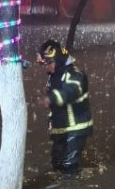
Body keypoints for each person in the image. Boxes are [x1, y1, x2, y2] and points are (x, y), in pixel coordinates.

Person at [37, 39, 93, 176]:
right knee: (56, 163)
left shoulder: (75, 74)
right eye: (45, 64)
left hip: (75, 128)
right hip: (61, 129)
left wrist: (52, 98)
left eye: (49, 63)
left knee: (69, 166)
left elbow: (71, 91)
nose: (47, 67)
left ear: (59, 61)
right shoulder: (55, 76)